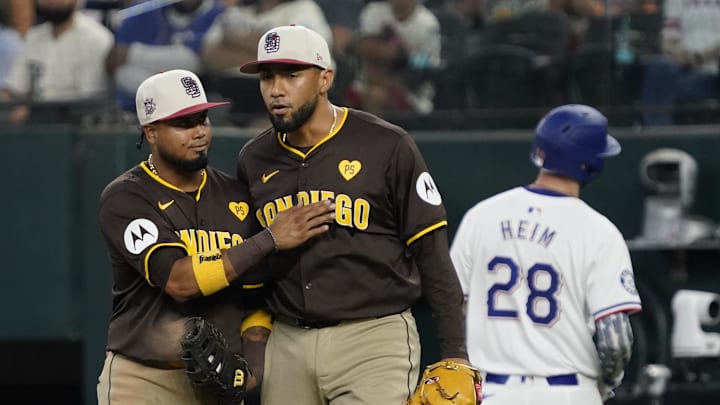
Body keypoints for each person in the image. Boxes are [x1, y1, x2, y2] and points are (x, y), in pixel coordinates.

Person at [235, 24, 471, 405]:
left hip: (372, 339)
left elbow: (433, 257)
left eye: (291, 75)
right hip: (289, 340)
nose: (276, 89)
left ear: (325, 78)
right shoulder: (253, 158)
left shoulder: (386, 144)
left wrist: (455, 353)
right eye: (267, 77)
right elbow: (255, 273)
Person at [96, 68, 336, 404]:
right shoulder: (126, 197)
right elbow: (179, 281)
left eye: (202, 119)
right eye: (183, 124)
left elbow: (255, 298)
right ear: (150, 131)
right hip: (145, 377)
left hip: (217, 382)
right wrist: (269, 238)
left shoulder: (236, 195)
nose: (199, 132)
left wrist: (251, 368)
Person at [450, 104, 643, 404]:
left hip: (491, 392)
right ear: (592, 163)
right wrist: (607, 382)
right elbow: (615, 340)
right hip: (568, 392)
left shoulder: (481, 216)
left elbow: (452, 306)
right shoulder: (599, 231)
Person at [0, 0, 113, 124]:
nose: (52, 2)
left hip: (75, 127)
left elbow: (88, 103)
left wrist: (32, 111)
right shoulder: (33, 37)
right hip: (34, 124)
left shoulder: (96, 38)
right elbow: (12, 90)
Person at [106, 0, 224, 112]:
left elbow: (195, 61)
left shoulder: (218, 13)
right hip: (135, 110)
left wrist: (133, 53)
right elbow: (117, 62)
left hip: (198, 107)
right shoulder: (141, 10)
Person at [639, 0, 720, 126]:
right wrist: (683, 56)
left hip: (715, 73)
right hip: (686, 72)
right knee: (659, 65)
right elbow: (669, 40)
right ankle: (658, 137)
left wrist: (701, 56)